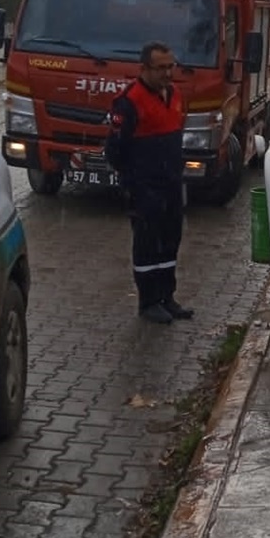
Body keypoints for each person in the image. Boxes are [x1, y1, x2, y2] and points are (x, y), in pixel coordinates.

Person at [104, 41, 193, 325]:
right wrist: (134, 180)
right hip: (144, 187)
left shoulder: (175, 95)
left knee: (170, 241)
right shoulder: (129, 101)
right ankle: (148, 301)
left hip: (170, 183)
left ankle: (167, 297)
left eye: (171, 66)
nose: (168, 73)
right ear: (144, 69)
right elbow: (115, 150)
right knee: (147, 244)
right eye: (161, 68)